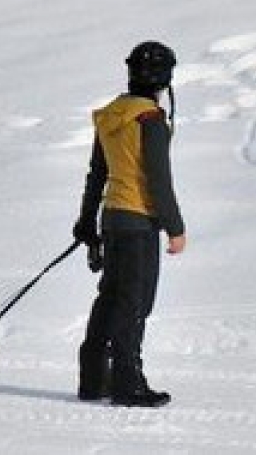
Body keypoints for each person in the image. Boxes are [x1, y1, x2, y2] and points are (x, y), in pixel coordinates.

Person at [73, 41, 187, 407]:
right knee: (134, 303)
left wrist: (87, 221)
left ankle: (93, 379)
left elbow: (98, 174)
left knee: (109, 297)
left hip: (112, 219)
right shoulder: (149, 120)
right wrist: (175, 227)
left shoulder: (110, 115)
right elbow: (158, 179)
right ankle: (127, 382)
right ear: (164, 80)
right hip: (139, 223)